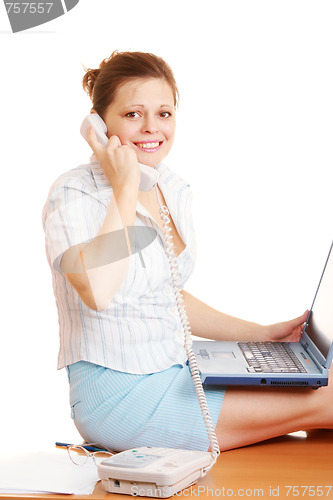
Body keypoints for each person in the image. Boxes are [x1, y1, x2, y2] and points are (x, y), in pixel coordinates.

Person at [42, 50, 333, 455]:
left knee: (324, 379)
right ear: (98, 122)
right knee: (329, 397)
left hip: (177, 370)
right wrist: (124, 188)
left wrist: (261, 335)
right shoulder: (74, 194)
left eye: (164, 113)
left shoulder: (170, 188)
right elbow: (97, 291)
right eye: (132, 114)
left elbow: (165, 294)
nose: (151, 128)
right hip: (120, 397)